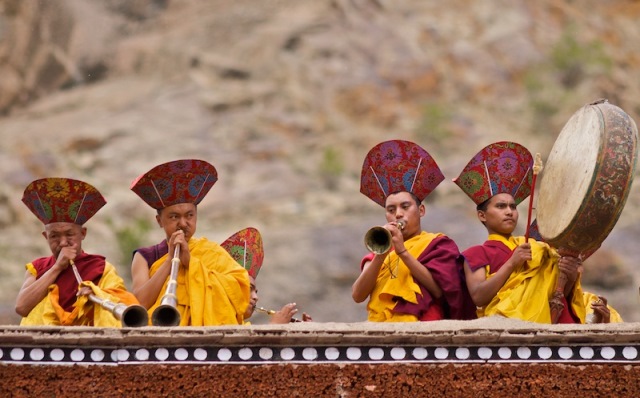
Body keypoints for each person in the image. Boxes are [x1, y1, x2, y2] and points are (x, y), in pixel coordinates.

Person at [453, 141, 585, 324]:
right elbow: (478, 296)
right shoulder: (477, 254)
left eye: (513, 207)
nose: (509, 211)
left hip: (545, 325)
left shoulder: (538, 249)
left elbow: (554, 296)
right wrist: (512, 263)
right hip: (503, 328)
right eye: (501, 206)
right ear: (482, 215)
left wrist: (569, 277)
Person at [352, 140, 476, 322]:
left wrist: (402, 252)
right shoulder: (379, 252)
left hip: (423, 330)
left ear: (421, 210)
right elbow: (357, 295)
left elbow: (438, 290)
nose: (398, 214)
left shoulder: (437, 244)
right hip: (380, 332)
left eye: (405, 206)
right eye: (391, 210)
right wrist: (381, 255)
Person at [130, 159, 250, 326]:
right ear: (159, 221)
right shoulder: (146, 256)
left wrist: (190, 263)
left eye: (189, 215)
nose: (183, 223)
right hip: (158, 336)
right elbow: (140, 304)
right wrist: (170, 259)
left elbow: (240, 292)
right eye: (174, 217)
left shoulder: (212, 252)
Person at [16, 178, 140, 327]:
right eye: (54, 236)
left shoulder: (100, 268)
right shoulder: (37, 268)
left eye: (69, 234)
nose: (63, 242)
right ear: (45, 237)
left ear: (83, 234)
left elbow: (122, 305)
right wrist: (57, 268)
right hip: (43, 344)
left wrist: (96, 294)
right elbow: (22, 307)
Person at [220, 227, 312, 324]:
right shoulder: (213, 318)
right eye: (249, 289)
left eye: (255, 292)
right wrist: (275, 327)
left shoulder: (242, 326)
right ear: (230, 289)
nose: (256, 297)